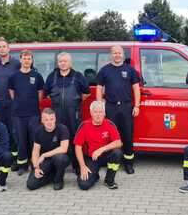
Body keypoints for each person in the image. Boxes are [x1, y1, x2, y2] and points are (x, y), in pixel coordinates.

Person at [44, 52, 90, 177]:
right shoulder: (51, 76)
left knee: (75, 138)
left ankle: (76, 165)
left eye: (65, 61)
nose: (63, 63)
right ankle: (57, 166)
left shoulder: (78, 76)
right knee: (56, 138)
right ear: (58, 63)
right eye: (60, 61)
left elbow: (86, 92)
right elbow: (46, 93)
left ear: (70, 63)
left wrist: (74, 102)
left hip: (73, 113)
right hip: (57, 114)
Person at [96, 45, 140, 174]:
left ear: (123, 54)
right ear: (111, 55)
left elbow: (136, 88)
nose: (117, 55)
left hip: (126, 106)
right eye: (114, 53)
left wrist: (137, 105)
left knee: (127, 135)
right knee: (109, 135)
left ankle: (129, 164)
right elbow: (99, 87)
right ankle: (110, 161)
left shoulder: (130, 70)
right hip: (110, 106)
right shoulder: (104, 70)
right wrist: (100, 105)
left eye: (119, 53)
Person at [8, 50, 44, 175]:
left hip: (33, 113)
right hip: (18, 114)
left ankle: (34, 164)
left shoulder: (37, 76)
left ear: (32, 60)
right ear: (21, 60)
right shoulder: (14, 76)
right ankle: (22, 165)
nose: (27, 61)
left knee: (34, 139)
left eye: (29, 59)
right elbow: (12, 93)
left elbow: (40, 94)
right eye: (24, 58)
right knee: (21, 140)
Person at [74, 101, 123, 190]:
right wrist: (82, 166)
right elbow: (78, 147)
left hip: (105, 156)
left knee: (117, 153)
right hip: (91, 158)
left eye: (100, 112)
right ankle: (94, 175)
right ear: (91, 113)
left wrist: (101, 149)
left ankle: (109, 180)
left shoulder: (109, 124)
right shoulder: (84, 125)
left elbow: (118, 143)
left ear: (104, 113)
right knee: (84, 185)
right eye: (95, 112)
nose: (98, 114)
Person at [0, 37, 21, 170]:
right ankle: (2, 157)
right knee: (1, 130)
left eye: (4, 46)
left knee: (14, 131)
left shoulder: (16, 64)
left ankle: (14, 159)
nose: (2, 49)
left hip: (13, 102)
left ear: (8, 48)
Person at [27, 108, 70, 191]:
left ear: (55, 119)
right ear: (42, 120)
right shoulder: (38, 131)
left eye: (51, 119)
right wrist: (36, 167)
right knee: (31, 185)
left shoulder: (62, 129)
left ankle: (58, 180)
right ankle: (52, 175)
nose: (49, 122)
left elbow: (64, 148)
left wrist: (44, 155)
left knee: (60, 158)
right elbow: (35, 151)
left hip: (59, 158)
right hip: (46, 161)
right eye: (46, 119)